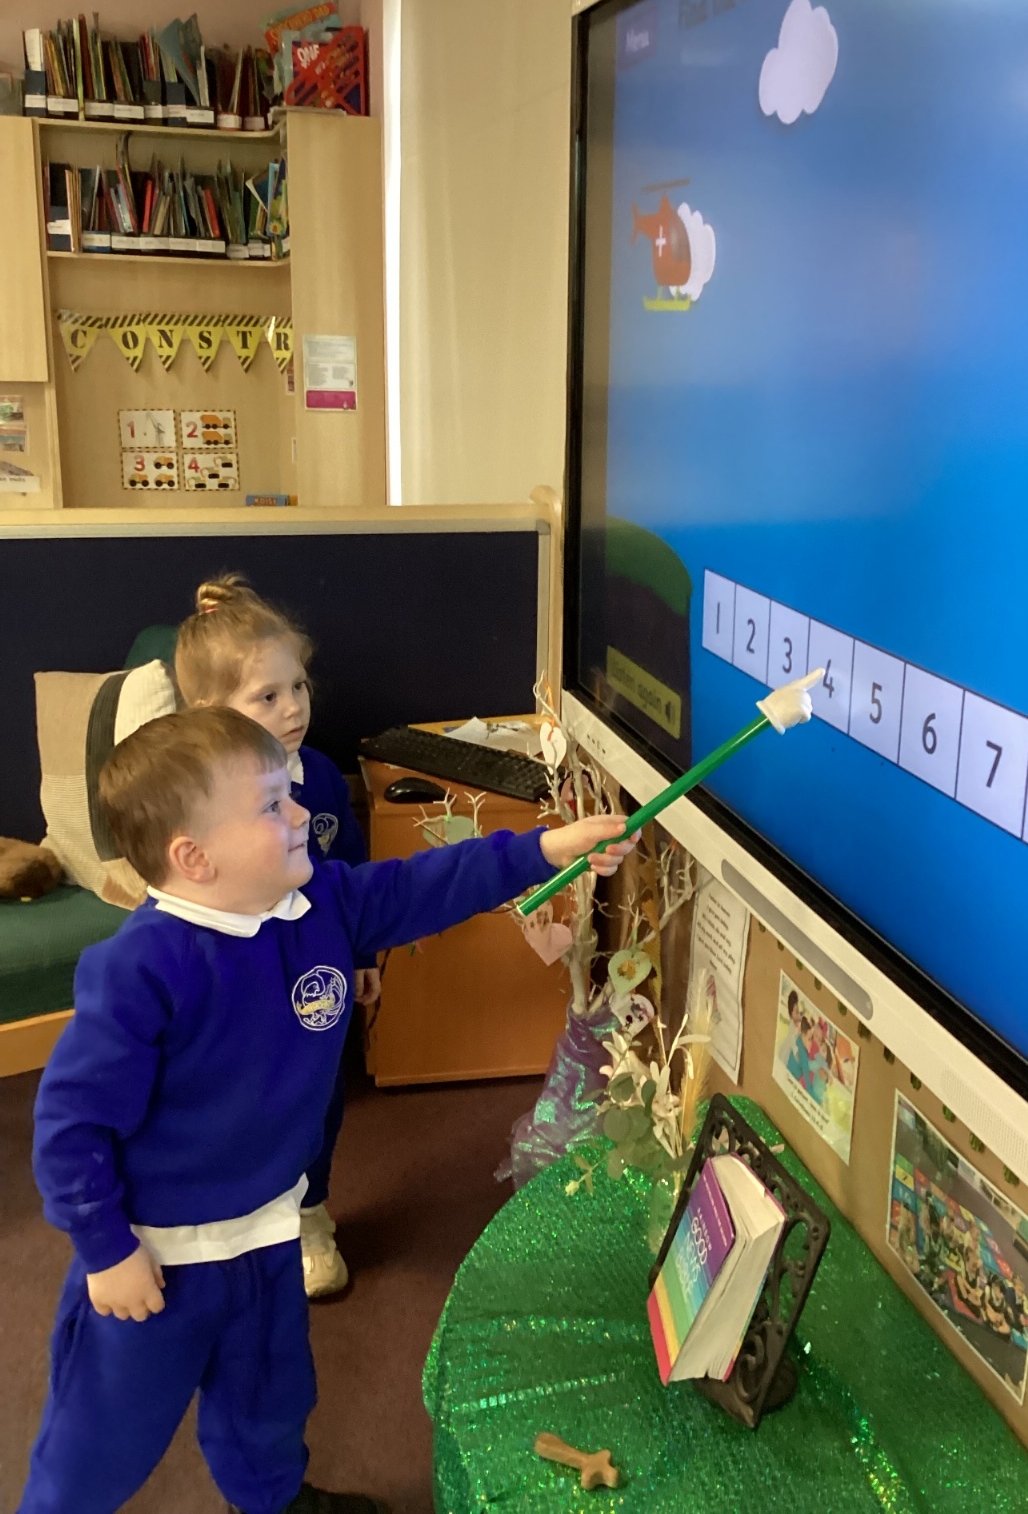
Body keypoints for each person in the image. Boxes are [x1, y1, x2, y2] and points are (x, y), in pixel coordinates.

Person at [19, 707, 635, 1514]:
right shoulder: (139, 969)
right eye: (272, 805)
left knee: (269, 1402)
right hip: (159, 1258)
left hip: (269, 1233)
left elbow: (425, 884)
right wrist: (105, 1249)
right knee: (101, 1439)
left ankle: (272, 1502)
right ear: (194, 857)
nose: (301, 813)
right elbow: (70, 1129)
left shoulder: (322, 905)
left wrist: (544, 850)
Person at [175, 574, 370, 1299]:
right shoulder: (192, 795)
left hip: (316, 977)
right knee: (240, 1101)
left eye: (298, 687)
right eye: (267, 696)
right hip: (239, 983)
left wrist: (363, 954)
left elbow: (354, 872)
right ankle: (243, 1221)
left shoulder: (318, 776)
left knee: (318, 1096)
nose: (293, 708)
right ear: (210, 712)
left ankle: (310, 1214)